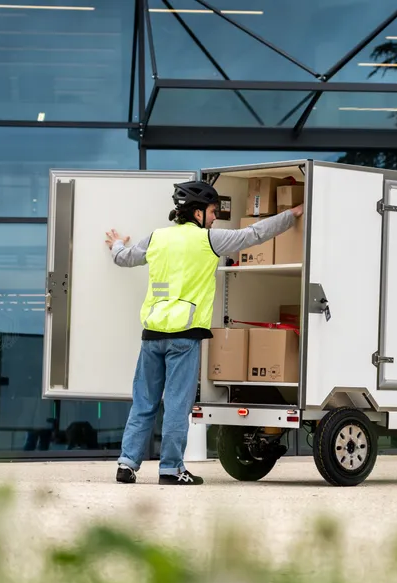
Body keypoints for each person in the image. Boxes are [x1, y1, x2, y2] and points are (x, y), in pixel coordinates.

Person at [105, 180, 303, 485]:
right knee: (176, 405)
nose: (215, 217)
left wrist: (117, 243)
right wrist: (292, 214)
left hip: (152, 333)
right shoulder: (209, 240)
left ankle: (127, 464)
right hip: (184, 336)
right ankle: (171, 469)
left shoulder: (157, 238)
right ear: (198, 213)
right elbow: (254, 235)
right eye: (212, 211)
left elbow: (123, 258)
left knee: (143, 402)